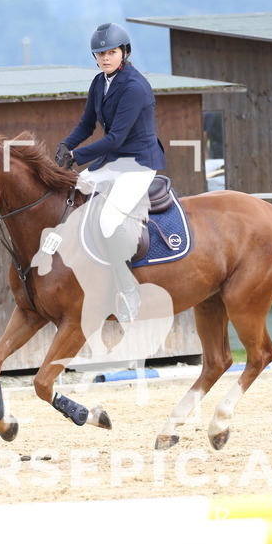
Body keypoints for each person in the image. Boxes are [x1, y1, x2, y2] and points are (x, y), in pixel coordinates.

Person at [56, 21, 166, 322]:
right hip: (113, 162)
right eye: (100, 53)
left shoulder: (134, 87)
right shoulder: (98, 82)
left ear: (124, 52)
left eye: (112, 52)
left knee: (107, 221)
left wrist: (77, 155)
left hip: (138, 164)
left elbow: (115, 138)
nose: (105, 58)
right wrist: (66, 145)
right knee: (71, 195)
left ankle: (129, 289)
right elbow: (86, 124)